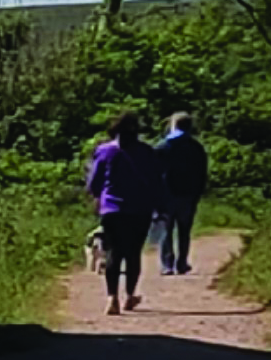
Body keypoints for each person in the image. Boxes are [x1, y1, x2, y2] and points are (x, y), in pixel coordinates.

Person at [85, 110, 163, 316]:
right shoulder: (147, 152)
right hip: (140, 209)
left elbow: (94, 182)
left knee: (113, 253)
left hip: (111, 209)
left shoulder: (104, 151)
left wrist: (97, 197)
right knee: (133, 253)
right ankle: (130, 295)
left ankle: (112, 298)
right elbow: (156, 180)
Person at [156, 112, 209, 276]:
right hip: (188, 194)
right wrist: (198, 192)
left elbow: (153, 171)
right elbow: (202, 172)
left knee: (166, 229)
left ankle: (167, 264)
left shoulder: (163, 146)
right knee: (184, 230)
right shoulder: (196, 147)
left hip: (167, 193)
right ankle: (182, 262)